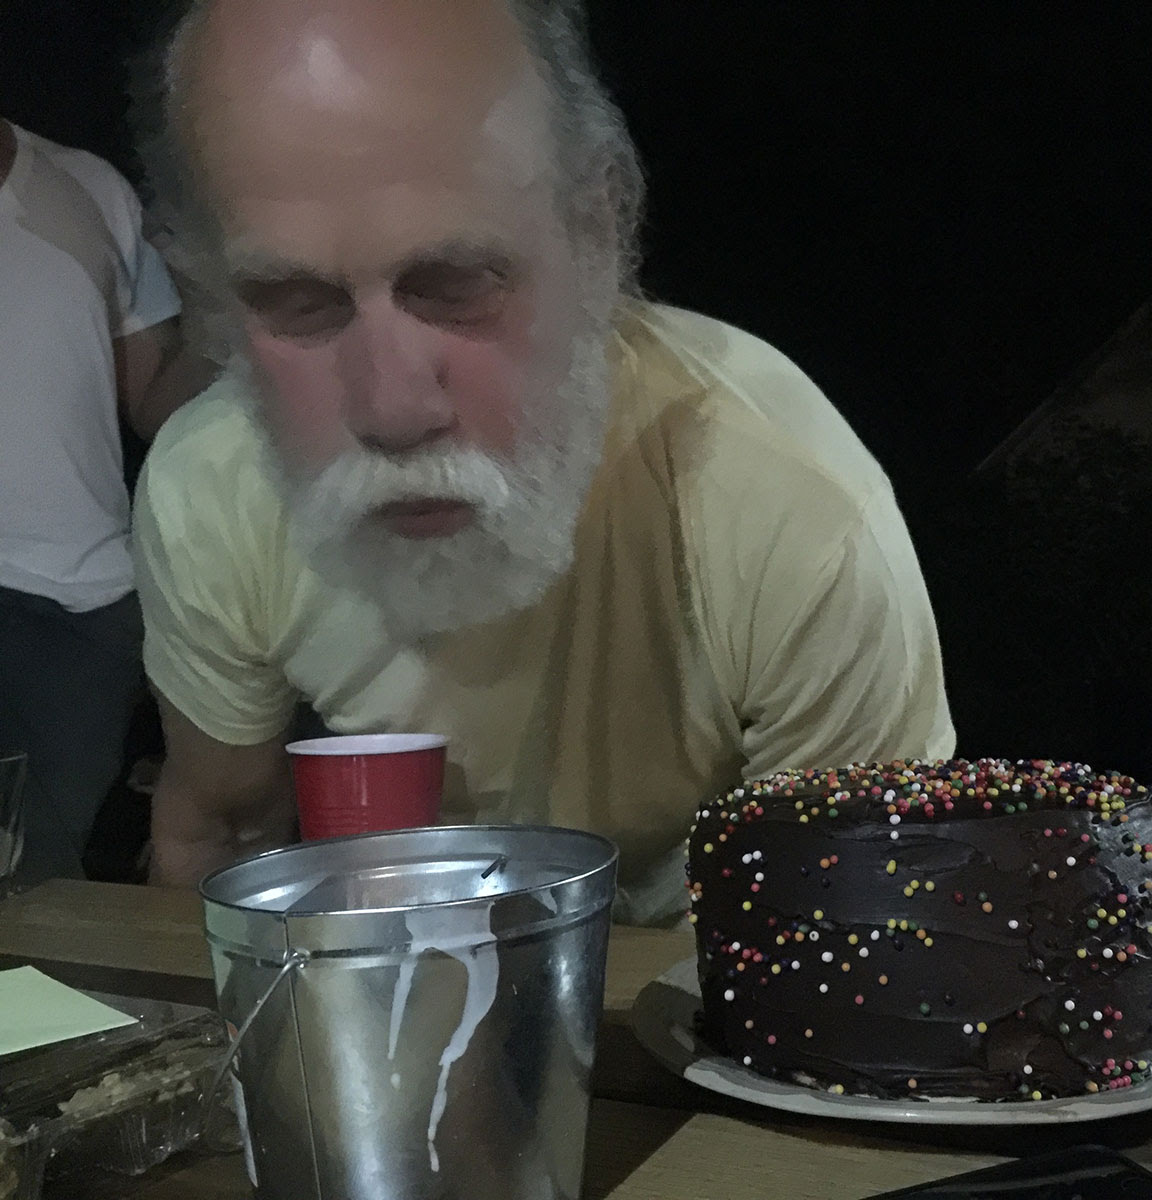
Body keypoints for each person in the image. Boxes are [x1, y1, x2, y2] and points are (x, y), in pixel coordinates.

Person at [132, 0, 955, 923]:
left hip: (716, 977)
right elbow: (223, 829)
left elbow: (850, 932)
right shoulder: (213, 488)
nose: (393, 410)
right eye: (297, 303)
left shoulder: (791, 511)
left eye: (457, 285)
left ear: (596, 228)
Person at [0, 117, 204, 884]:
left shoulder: (89, 185)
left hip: (81, 623)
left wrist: (229, 306)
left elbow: (152, 400)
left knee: (40, 901)